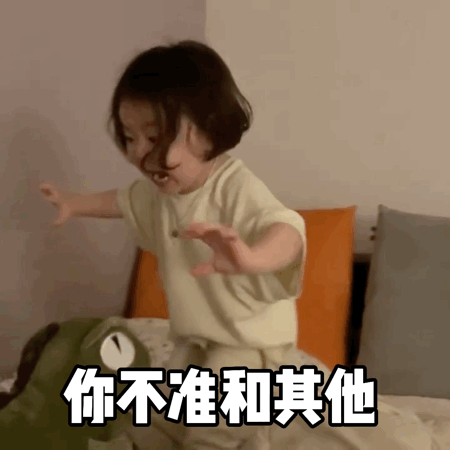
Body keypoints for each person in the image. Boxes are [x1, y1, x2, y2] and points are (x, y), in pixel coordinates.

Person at [40, 39, 307, 449]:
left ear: (209, 129)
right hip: (198, 338)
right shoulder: (161, 193)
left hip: (250, 344)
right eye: (130, 138)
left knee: (209, 427)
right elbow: (122, 201)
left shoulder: (235, 187)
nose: (139, 153)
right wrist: (74, 204)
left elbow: (287, 230)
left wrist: (252, 258)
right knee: (162, 412)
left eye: (155, 137)